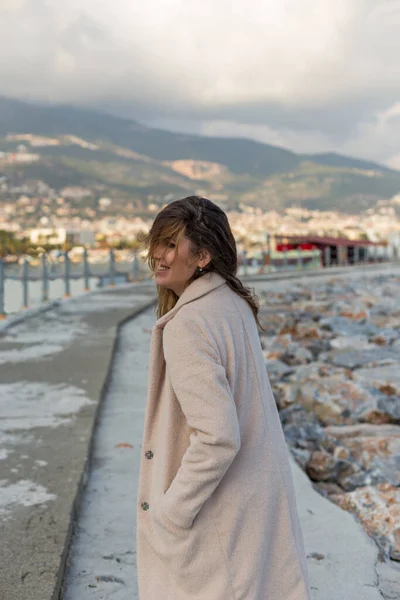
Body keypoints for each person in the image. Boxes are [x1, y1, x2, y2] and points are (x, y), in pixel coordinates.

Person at [137, 196, 310, 600]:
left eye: (170, 244)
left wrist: (172, 511)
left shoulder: (188, 325)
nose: (158, 256)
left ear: (203, 256)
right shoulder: (233, 304)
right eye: (157, 243)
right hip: (253, 503)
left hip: (219, 514)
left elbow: (218, 436)